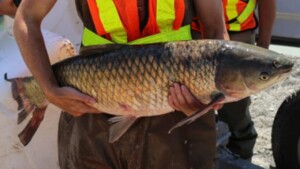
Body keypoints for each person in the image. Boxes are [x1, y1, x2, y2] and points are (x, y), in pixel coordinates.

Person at [14, 0, 227, 168]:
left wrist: (213, 88)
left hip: (176, 111)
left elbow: (216, 28)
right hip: (95, 110)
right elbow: (26, 18)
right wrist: (48, 89)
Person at [218, 0, 276, 161]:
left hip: (238, 36)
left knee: (236, 111)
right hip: (197, 33)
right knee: (194, 110)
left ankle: (241, 157)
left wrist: (263, 46)